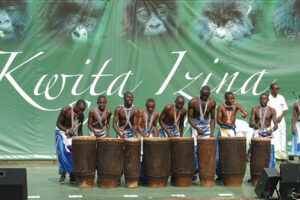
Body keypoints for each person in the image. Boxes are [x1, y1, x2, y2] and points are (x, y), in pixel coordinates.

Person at [216, 92, 248, 181]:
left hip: (232, 132)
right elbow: (218, 120)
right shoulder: (221, 107)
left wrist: (245, 114)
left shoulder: (236, 106)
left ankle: (230, 173)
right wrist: (225, 123)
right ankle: (220, 174)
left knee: (231, 153)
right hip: (223, 131)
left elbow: (245, 112)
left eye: (233, 98)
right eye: (230, 99)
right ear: (226, 99)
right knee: (220, 154)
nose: (232, 100)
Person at [188, 86, 216, 180]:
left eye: (206, 95)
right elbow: (189, 118)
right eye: (203, 95)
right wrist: (196, 128)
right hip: (196, 125)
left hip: (206, 126)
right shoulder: (193, 102)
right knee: (195, 149)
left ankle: (206, 171)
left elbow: (212, 118)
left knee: (208, 149)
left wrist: (211, 133)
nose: (204, 97)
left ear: (209, 94)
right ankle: (194, 171)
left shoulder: (212, 102)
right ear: (200, 92)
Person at [55, 100, 86, 184]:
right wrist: (67, 130)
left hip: (71, 134)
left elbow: (80, 130)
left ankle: (72, 175)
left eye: (82, 110)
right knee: (62, 152)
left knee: (74, 153)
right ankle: (62, 174)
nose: (80, 112)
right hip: (61, 132)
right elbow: (58, 123)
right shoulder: (66, 110)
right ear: (75, 106)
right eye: (79, 109)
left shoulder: (81, 116)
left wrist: (80, 141)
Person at [249, 93, 278, 168]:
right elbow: (250, 123)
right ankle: (255, 174)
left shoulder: (272, 110)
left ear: (268, 100)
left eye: (264, 99)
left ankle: (270, 171)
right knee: (255, 153)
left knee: (270, 153)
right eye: (261, 99)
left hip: (268, 133)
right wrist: (254, 125)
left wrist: (271, 130)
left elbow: (276, 125)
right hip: (258, 132)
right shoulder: (255, 109)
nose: (262, 100)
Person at [137, 98, 159, 184]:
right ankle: (140, 177)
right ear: (146, 106)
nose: (150, 109)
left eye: (152, 107)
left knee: (150, 155)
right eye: (149, 107)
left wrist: (156, 137)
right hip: (141, 133)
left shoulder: (156, 114)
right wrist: (143, 134)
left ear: (154, 106)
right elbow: (138, 125)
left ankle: (147, 176)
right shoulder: (141, 112)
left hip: (149, 133)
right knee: (141, 155)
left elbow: (154, 126)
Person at [268, 83, 288, 160]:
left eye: (278, 88)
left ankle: (283, 154)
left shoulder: (281, 97)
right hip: (272, 121)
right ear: (271, 89)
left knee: (283, 135)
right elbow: (267, 110)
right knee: (274, 136)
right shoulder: (268, 98)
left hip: (281, 120)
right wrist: (274, 118)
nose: (277, 90)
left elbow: (285, 109)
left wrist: (281, 116)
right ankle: (276, 155)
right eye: (276, 89)